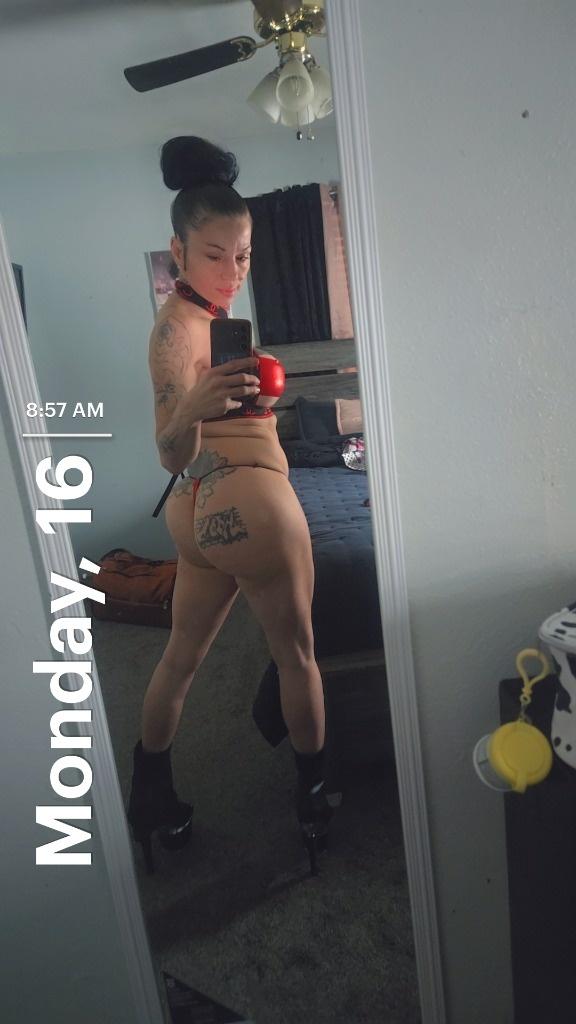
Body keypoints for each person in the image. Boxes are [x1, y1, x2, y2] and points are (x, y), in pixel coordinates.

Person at [127, 136, 332, 876]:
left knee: (181, 659)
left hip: (199, 518)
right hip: (244, 503)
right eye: (215, 254)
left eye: (243, 255)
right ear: (177, 252)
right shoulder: (174, 331)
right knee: (297, 656)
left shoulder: (206, 321)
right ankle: (315, 801)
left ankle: (151, 797)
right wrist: (195, 405)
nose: (233, 270)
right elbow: (169, 451)